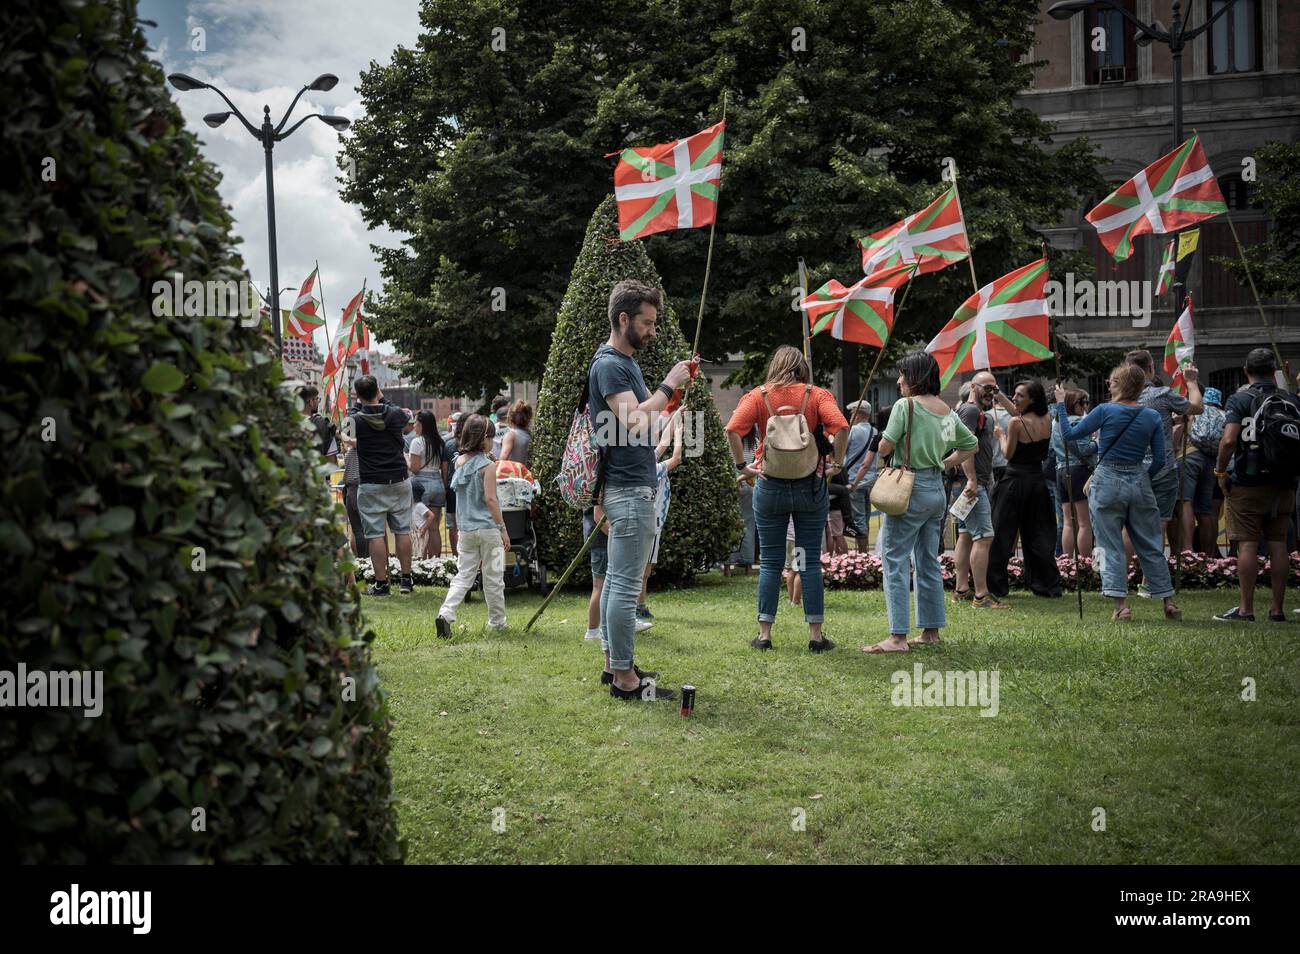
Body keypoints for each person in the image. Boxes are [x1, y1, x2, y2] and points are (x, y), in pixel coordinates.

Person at [590, 279, 692, 699]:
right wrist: (667, 385)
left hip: (633, 484)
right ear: (623, 319)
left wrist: (671, 400)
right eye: (647, 323)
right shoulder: (611, 364)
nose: (653, 330)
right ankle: (626, 680)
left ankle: (616, 666)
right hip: (629, 490)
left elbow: (645, 422)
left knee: (617, 581)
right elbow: (631, 420)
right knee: (627, 585)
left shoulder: (624, 362)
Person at [727, 344, 848, 653]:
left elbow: (732, 429)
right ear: (802, 368)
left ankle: (765, 635)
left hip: (770, 486)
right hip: (810, 487)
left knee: (770, 561)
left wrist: (744, 466)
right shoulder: (817, 395)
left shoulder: (758, 396)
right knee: (807, 561)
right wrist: (837, 462)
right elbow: (841, 426)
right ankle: (816, 636)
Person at [862, 351, 977, 652]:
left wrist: (886, 444)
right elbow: (970, 445)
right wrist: (945, 461)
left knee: (895, 559)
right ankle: (930, 632)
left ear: (914, 378)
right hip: (935, 490)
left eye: (902, 375)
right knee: (928, 561)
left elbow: (886, 444)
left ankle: (897, 637)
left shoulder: (906, 406)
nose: (898, 380)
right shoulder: (945, 410)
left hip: (908, 488)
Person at [1056, 365, 1181, 621]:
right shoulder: (1151, 416)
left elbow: (1069, 435)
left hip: (1107, 481)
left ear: (1119, 384)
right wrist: (1143, 477)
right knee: (1151, 543)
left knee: (1110, 544)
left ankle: (1121, 606)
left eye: (1111, 381)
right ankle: (1168, 601)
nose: (1108, 384)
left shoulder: (1104, 410)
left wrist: (1060, 404)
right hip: (1140, 481)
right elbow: (1159, 459)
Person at [1213, 348, 1300, 622]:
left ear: (1245, 370)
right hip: (1285, 480)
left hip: (1248, 479)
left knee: (1248, 543)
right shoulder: (1291, 399)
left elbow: (1228, 441)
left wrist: (1219, 471)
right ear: (1274, 371)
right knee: (1278, 543)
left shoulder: (1240, 398)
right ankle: (1277, 609)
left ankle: (1245, 609)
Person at [986, 379, 1063, 601]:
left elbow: (1007, 454)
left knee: (1002, 533)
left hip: (1014, 481)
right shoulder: (1047, 417)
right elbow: (1018, 413)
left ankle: (997, 586)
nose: (1014, 398)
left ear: (1032, 399)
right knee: (1039, 534)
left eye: (1020, 395)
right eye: (1014, 394)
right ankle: (1045, 584)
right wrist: (999, 395)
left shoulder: (1015, 425)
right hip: (1037, 482)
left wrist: (1000, 436)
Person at [435, 415, 510, 635]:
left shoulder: (459, 461)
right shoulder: (488, 466)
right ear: (485, 439)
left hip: (466, 530)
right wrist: (503, 528)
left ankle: (445, 613)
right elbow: (491, 499)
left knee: (463, 576)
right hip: (489, 530)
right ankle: (497, 622)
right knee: (494, 577)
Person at [1125, 349, 1202, 560]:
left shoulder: (1117, 400)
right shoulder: (1161, 394)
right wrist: (1191, 382)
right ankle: (1149, 579)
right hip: (1162, 469)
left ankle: (1126, 573)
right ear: (1151, 369)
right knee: (1157, 523)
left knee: (1129, 523)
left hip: (1128, 470)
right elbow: (1196, 407)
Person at [349, 375, 415, 595]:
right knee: (402, 530)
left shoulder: (356, 419)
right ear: (378, 390)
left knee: (375, 534)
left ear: (357, 395)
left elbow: (347, 428)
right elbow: (404, 415)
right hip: (398, 478)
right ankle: (406, 580)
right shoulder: (394, 413)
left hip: (371, 482)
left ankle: (382, 583)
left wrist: (358, 403)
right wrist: (382, 398)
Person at [951, 371, 1006, 608]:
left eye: (995, 389)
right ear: (974, 387)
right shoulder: (971, 410)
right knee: (984, 537)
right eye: (987, 388)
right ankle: (981, 596)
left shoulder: (970, 410)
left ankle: (961, 589)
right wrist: (973, 480)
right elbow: (964, 445)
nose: (992, 393)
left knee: (965, 535)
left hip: (970, 483)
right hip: (974, 484)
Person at [637, 407, 685, 623]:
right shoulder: (651, 469)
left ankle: (640, 604)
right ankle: (636, 606)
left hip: (652, 522)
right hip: (649, 523)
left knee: (646, 568)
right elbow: (675, 457)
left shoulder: (645, 463)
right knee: (642, 569)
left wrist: (676, 417)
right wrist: (681, 433)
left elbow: (663, 443)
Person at [1050, 388, 1098, 559]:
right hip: (1078, 470)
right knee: (1084, 522)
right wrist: (1098, 443)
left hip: (1060, 470)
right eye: (1082, 402)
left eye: (1087, 402)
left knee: (1068, 522)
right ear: (1071, 404)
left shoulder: (1056, 424)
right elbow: (1085, 449)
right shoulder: (1077, 421)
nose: (1085, 406)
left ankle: (1067, 561)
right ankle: (1085, 562)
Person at [1179, 386, 1225, 555]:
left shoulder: (1194, 408)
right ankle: (1209, 555)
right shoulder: (1222, 414)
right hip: (1211, 461)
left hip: (1190, 457)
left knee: (1186, 502)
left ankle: (1188, 550)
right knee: (1205, 510)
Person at [844, 400, 879, 548]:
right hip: (871, 481)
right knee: (866, 516)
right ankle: (865, 555)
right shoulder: (875, 431)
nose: (851, 416)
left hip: (854, 480)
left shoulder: (853, 430)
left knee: (858, 519)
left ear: (857, 414)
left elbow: (842, 451)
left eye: (852, 413)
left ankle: (863, 556)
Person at [724, 426, 758, 575]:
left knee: (729, 526)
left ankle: (727, 566)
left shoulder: (729, 441)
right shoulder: (755, 443)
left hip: (730, 485)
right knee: (748, 526)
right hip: (749, 487)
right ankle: (748, 566)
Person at [299, 385, 338, 464]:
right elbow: (332, 460)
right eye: (317, 399)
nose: (318, 402)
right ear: (311, 402)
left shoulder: (289, 422)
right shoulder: (324, 424)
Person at [499, 399, 533, 469]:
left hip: (513, 476)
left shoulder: (511, 435)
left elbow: (503, 459)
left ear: (510, 417)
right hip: (527, 476)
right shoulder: (531, 435)